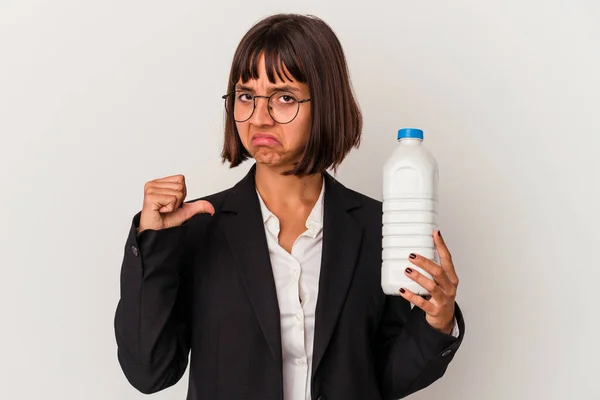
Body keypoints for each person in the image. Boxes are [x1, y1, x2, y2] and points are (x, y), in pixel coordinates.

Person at [114, 13, 465, 400]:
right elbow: (150, 372)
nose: (259, 117)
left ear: (326, 104)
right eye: (246, 96)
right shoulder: (198, 228)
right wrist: (153, 244)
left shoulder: (375, 227)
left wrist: (438, 321)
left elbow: (382, 377)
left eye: (284, 98)